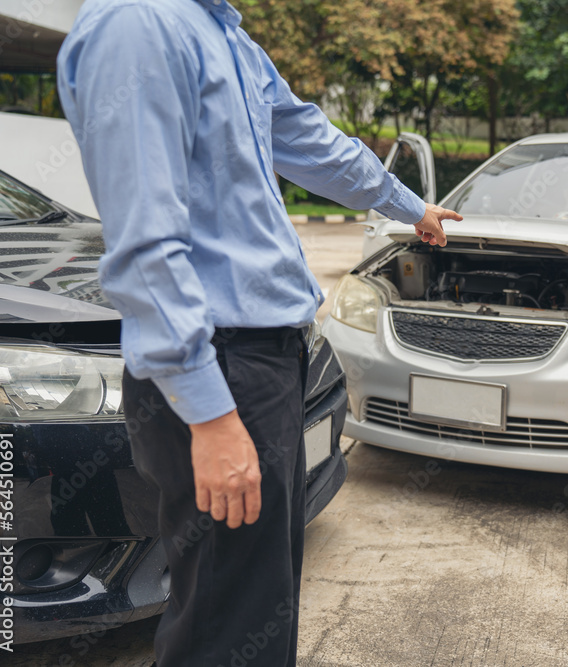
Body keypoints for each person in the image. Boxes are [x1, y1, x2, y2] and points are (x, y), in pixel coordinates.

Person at [57, 1, 461, 664]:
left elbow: (307, 137)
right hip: (218, 366)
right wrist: (211, 415)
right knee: (222, 626)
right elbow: (145, 245)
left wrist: (406, 204)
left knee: (255, 608)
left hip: (262, 361)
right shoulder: (139, 24)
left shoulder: (224, 34)